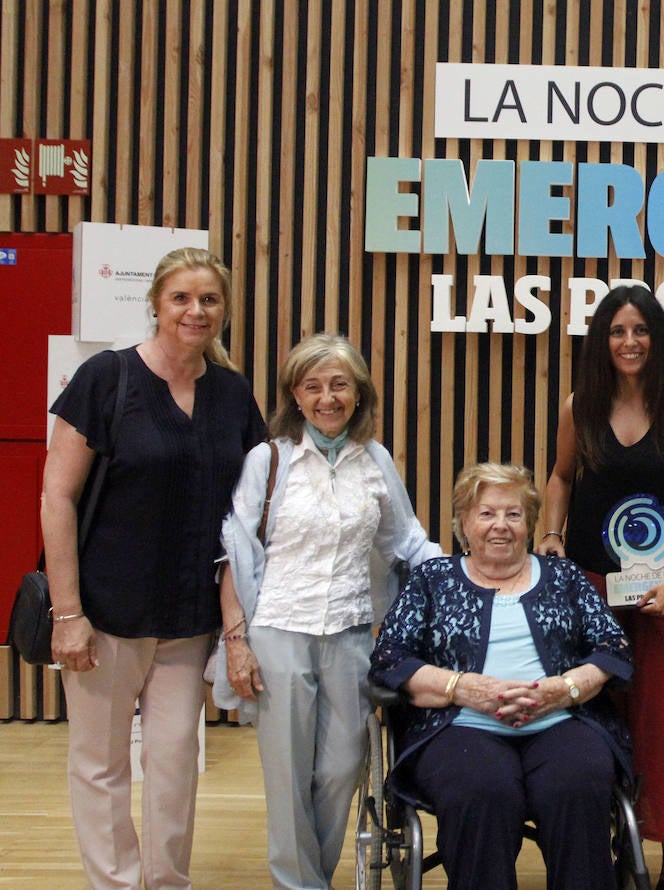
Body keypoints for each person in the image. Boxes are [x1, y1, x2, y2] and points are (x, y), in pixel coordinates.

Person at [41, 247, 266, 889]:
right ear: (157, 303)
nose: (196, 311)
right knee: (101, 764)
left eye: (210, 299)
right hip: (105, 613)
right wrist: (68, 614)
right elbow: (56, 497)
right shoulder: (105, 378)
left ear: (223, 310)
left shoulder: (230, 393)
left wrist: (235, 623)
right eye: (182, 298)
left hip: (187, 619)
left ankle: (166, 883)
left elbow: (245, 516)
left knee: (172, 765)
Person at [215, 333, 442, 889]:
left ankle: (308, 876)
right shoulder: (268, 460)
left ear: (358, 392)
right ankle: (300, 883)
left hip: (350, 632)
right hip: (278, 630)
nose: (327, 397)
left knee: (343, 766)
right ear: (296, 395)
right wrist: (237, 640)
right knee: (287, 773)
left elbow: (405, 539)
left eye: (339, 384)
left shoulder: (375, 460)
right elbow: (235, 550)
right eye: (313, 386)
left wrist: (463, 575)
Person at [370, 462, 634, 890]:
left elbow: (612, 649)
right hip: (460, 726)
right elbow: (389, 658)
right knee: (482, 789)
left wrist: (563, 689)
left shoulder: (564, 577)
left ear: (530, 523)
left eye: (513, 514)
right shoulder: (432, 579)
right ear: (463, 523)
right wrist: (460, 687)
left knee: (577, 782)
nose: (500, 526)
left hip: (560, 722)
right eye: (486, 513)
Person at [537, 285, 664, 890]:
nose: (630, 342)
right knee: (598, 724)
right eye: (617, 331)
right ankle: (614, 844)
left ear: (658, 339)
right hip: (591, 595)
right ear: (601, 341)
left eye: (641, 330)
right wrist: (551, 535)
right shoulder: (579, 406)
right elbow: (561, 477)